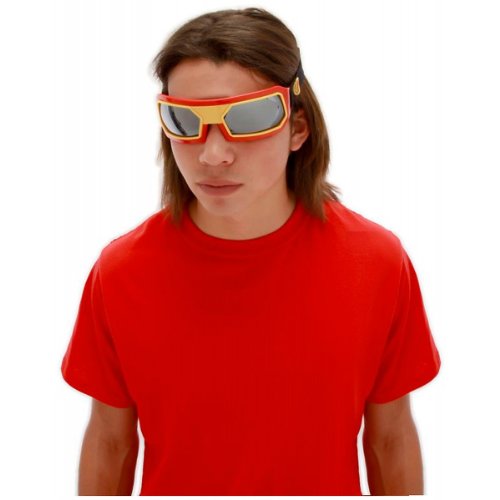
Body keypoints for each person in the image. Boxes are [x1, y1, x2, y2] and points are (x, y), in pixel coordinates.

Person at [60, 7, 441, 496]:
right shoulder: (120, 273)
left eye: (249, 118)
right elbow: (110, 442)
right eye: (184, 120)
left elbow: (390, 438)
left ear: (298, 128)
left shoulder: (377, 263)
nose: (213, 154)